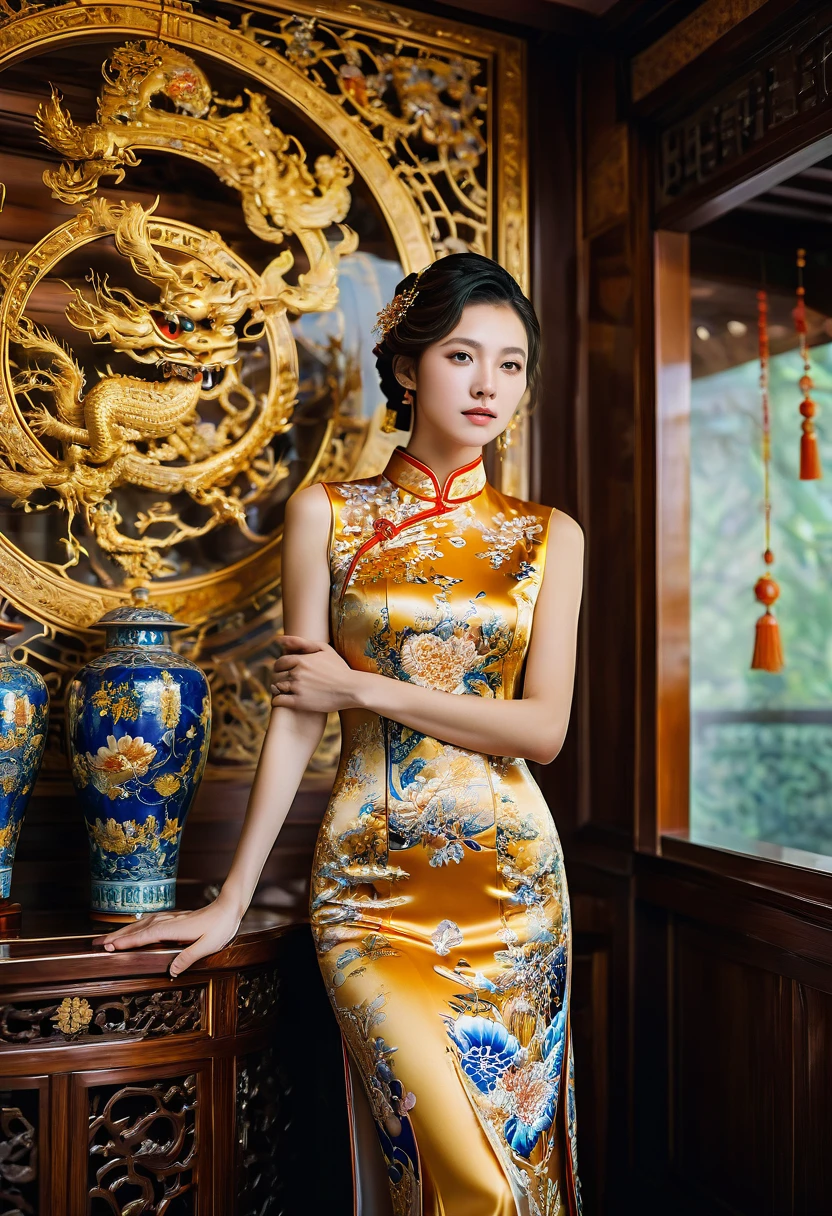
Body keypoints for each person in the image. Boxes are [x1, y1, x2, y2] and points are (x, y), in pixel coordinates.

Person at [94, 253, 585, 1216]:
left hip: (517, 892)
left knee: (511, 1175)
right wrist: (232, 902)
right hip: (370, 885)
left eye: (512, 364)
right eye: (461, 355)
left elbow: (542, 730)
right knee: (444, 1165)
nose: (489, 385)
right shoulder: (327, 514)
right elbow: (296, 716)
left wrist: (369, 686)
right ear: (407, 369)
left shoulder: (546, 536)